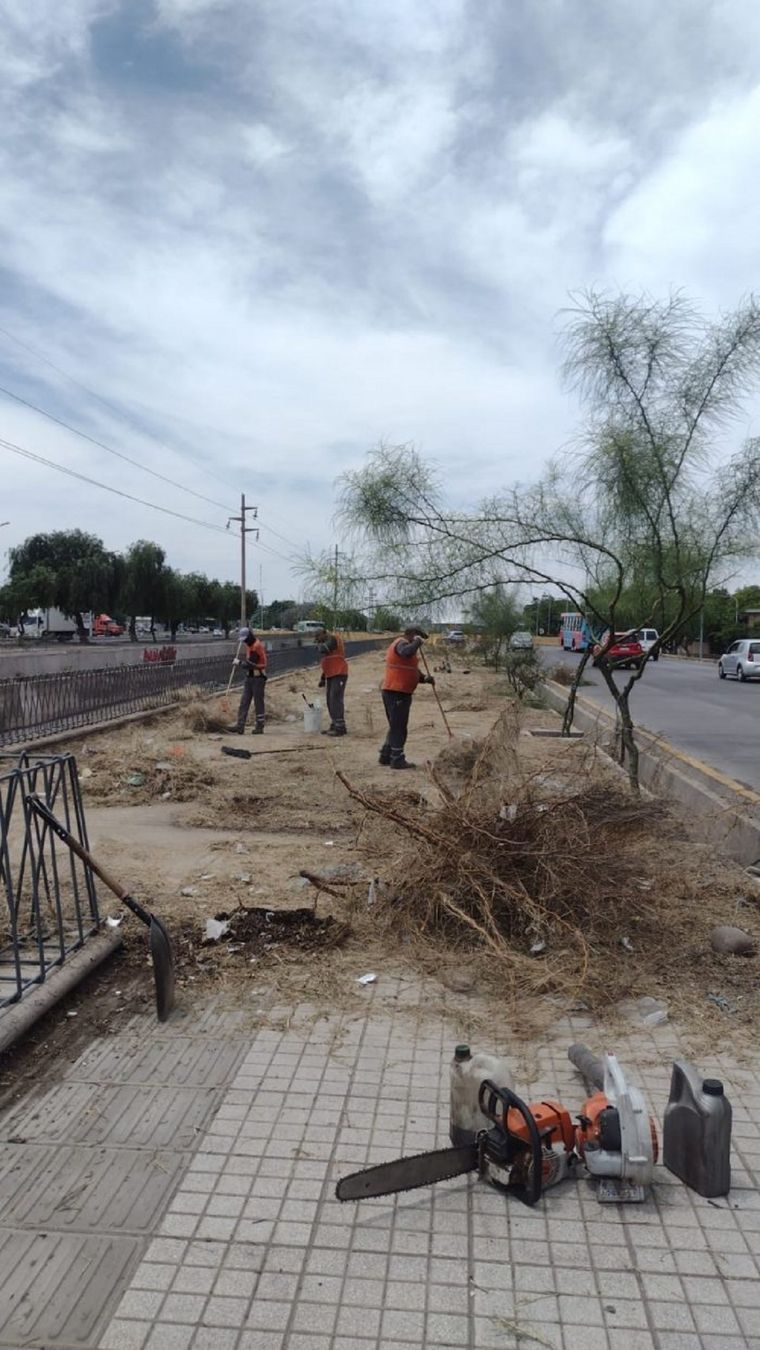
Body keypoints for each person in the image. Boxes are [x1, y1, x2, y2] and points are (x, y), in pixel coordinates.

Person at [379, 626, 435, 769]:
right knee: (399, 727)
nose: (421, 643)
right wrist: (417, 642)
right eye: (419, 637)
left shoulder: (406, 647)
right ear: (413, 635)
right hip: (396, 691)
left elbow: (410, 670)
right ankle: (397, 759)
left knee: (395, 725)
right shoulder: (401, 643)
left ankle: (386, 754)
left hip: (397, 691)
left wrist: (424, 678)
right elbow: (406, 652)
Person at [227, 627, 268, 734]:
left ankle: (260, 726)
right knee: (244, 702)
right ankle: (240, 725)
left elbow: (250, 664)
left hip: (258, 678)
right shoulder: (250, 645)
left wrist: (239, 663)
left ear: (249, 636)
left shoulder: (256, 646)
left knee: (258, 703)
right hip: (249, 678)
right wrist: (240, 663)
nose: (244, 641)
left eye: (245, 639)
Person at [314, 627, 348, 736]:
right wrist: (323, 678)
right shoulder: (328, 642)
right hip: (331, 674)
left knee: (335, 699)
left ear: (324, 633)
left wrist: (318, 645)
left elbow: (323, 649)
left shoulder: (333, 639)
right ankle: (334, 724)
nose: (319, 641)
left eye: (319, 638)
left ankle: (340, 727)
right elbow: (329, 662)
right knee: (330, 700)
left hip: (339, 673)